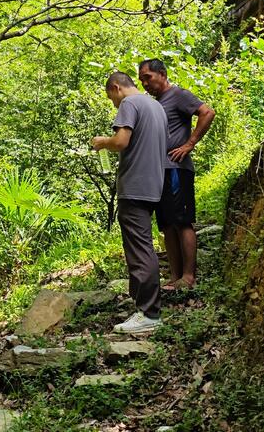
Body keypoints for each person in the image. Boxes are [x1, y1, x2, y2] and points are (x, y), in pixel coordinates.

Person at [91, 71, 167, 334]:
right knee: (143, 244)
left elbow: (122, 141)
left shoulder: (129, 104)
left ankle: (149, 314)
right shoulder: (156, 106)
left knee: (139, 248)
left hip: (134, 186)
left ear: (116, 88)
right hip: (154, 183)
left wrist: (104, 142)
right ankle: (143, 307)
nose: (113, 103)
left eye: (110, 97)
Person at [138, 58, 216, 291]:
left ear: (162, 74)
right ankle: (175, 276)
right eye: (141, 80)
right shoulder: (156, 103)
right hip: (158, 171)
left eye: (147, 77)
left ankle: (189, 276)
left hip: (176, 169)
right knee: (166, 225)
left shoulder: (178, 94)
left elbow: (207, 112)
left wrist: (190, 143)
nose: (144, 84)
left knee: (182, 222)